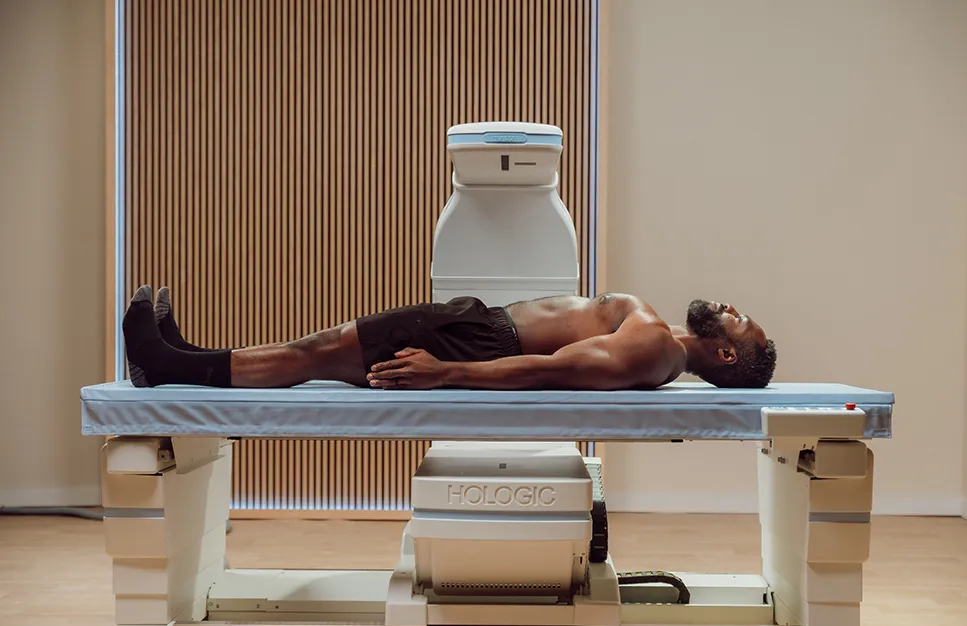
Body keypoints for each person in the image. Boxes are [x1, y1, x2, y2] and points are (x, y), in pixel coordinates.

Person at [122, 285, 776, 391]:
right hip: (481, 328)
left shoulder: (657, 349)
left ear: (724, 352)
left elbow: (556, 369)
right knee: (319, 349)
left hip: (479, 343)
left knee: (317, 354)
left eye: (738, 319)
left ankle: (168, 367)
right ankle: (185, 359)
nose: (730, 307)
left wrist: (447, 371)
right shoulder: (659, 339)